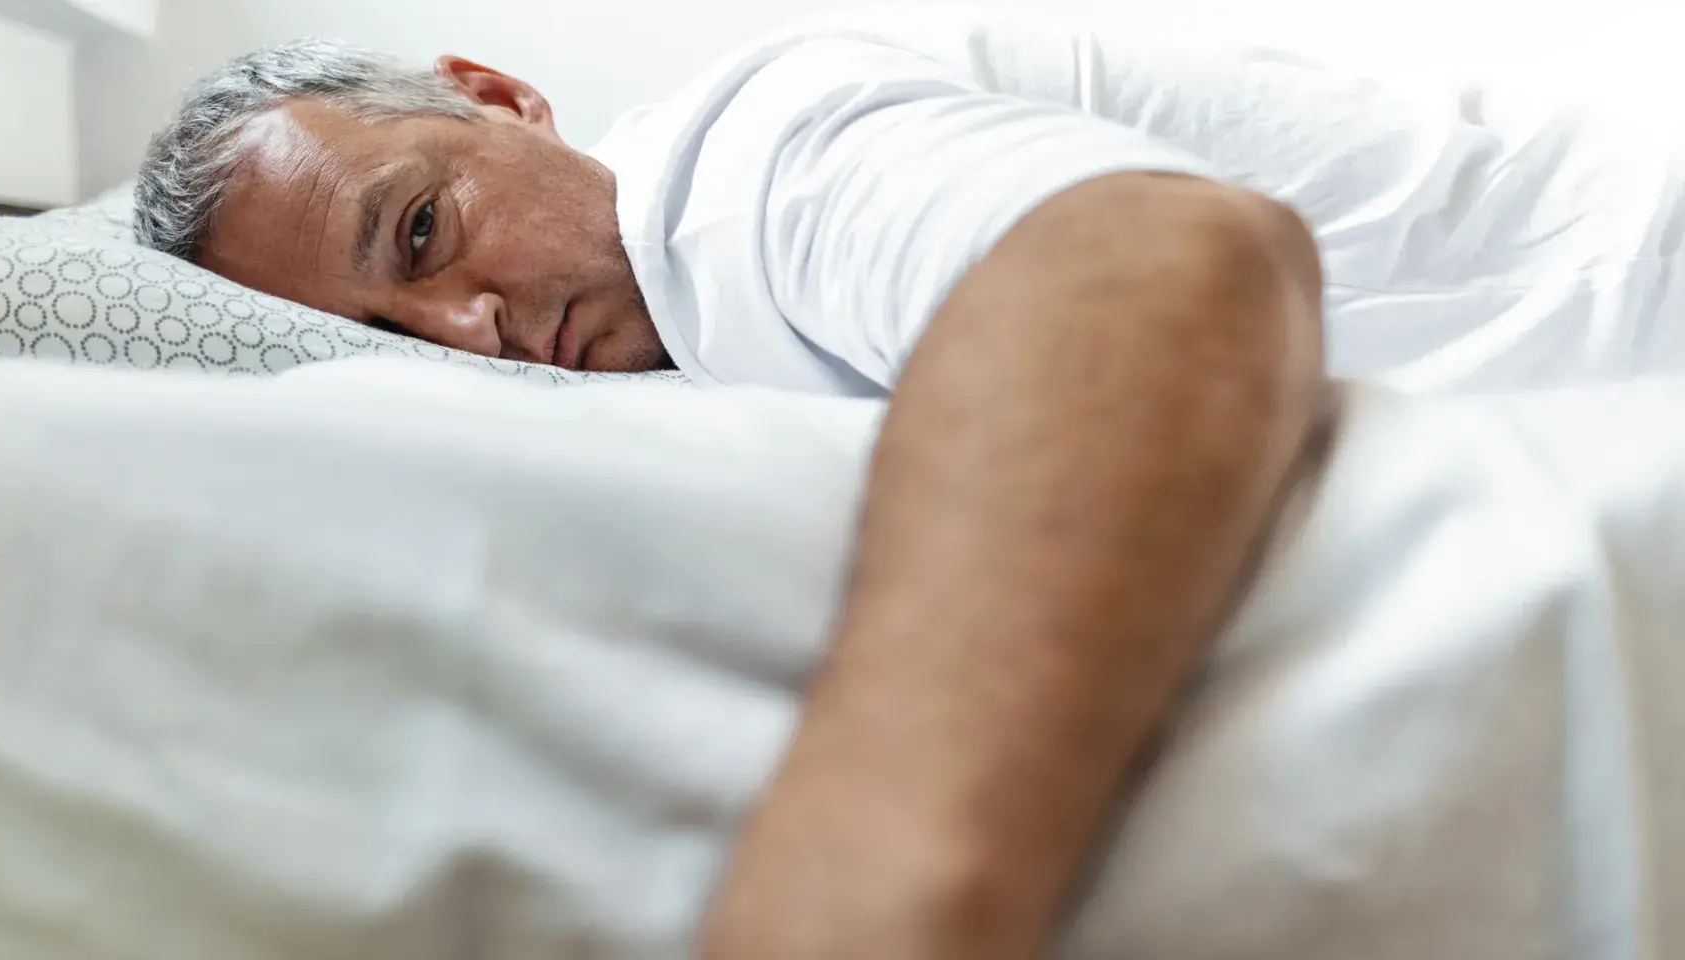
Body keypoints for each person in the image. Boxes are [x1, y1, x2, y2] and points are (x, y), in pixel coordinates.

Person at [129, 7, 1666, 957]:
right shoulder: (685, 348)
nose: (469, 330)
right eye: (394, 339)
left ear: (500, 97)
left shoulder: (739, 166)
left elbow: (1157, 267)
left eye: (418, 233)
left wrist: (865, 897)